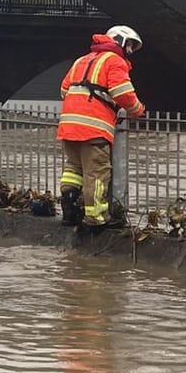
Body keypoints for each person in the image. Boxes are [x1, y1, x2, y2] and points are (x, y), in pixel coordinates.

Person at [56, 25, 146, 228]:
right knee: (97, 172)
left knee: (73, 169)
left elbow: (64, 90)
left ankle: (69, 213)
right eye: (129, 45)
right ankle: (96, 218)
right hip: (93, 127)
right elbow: (123, 92)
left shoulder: (82, 60)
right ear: (119, 41)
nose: (130, 51)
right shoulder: (114, 61)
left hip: (69, 125)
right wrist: (137, 110)